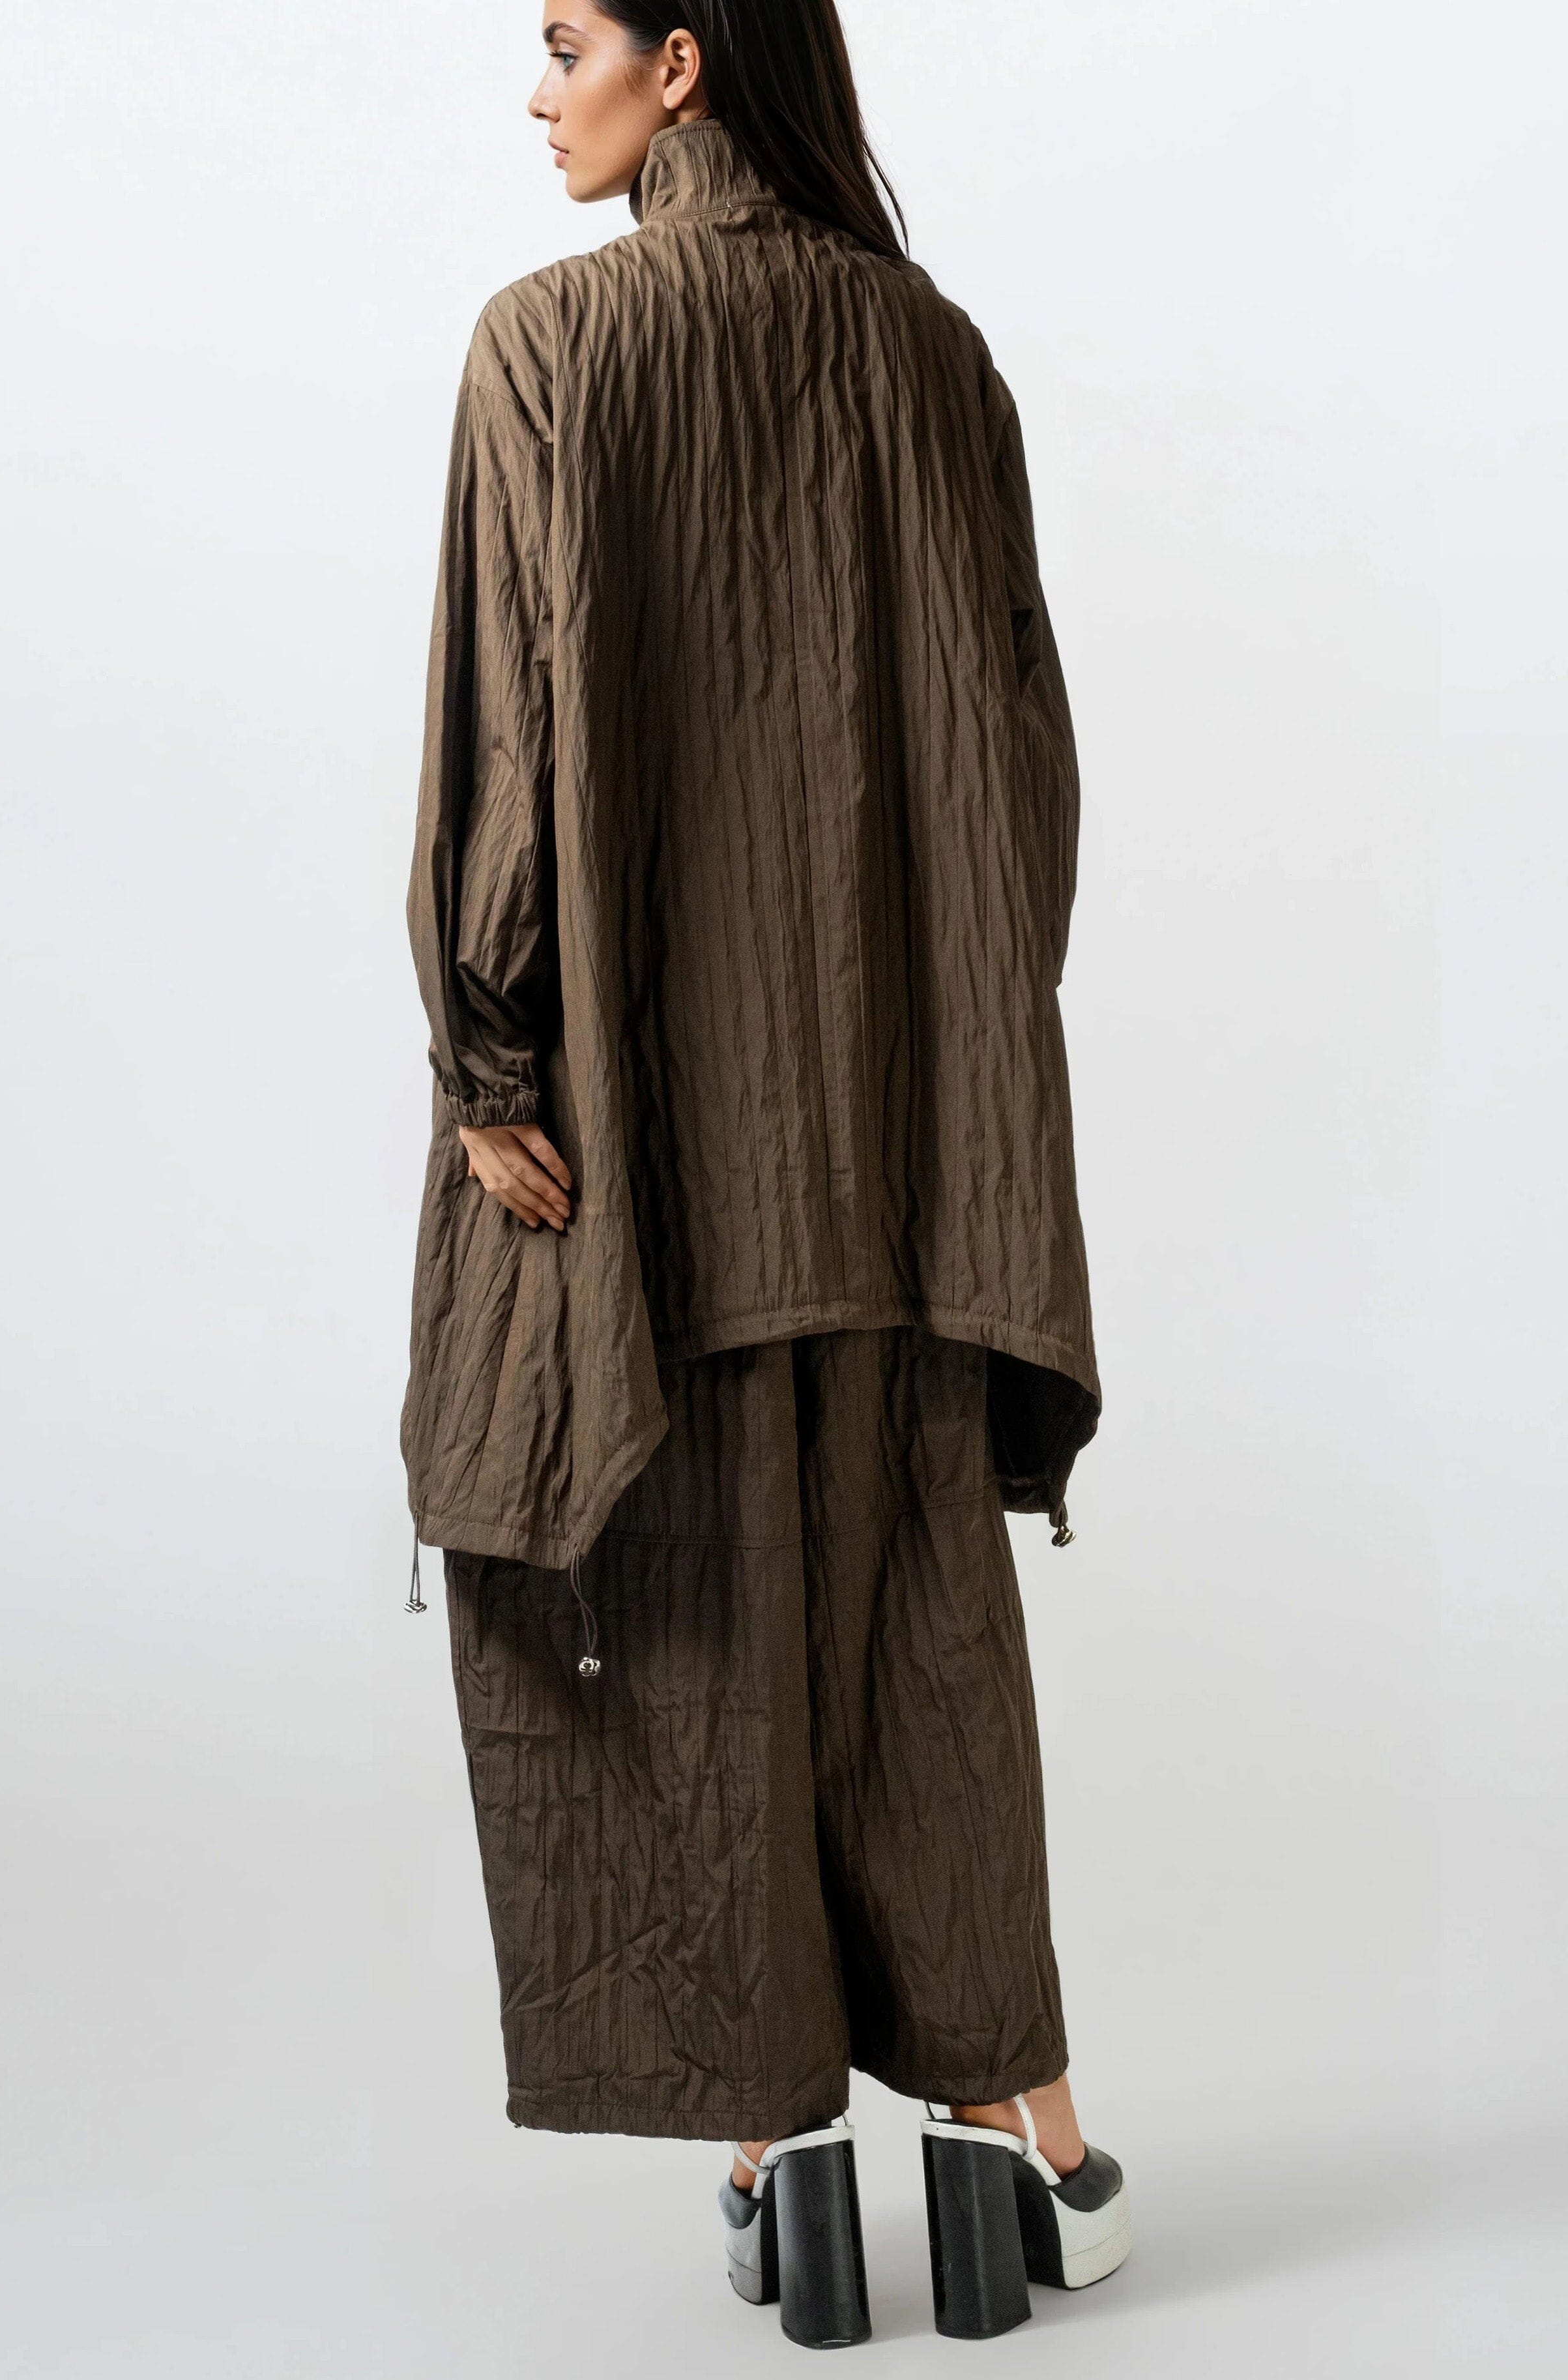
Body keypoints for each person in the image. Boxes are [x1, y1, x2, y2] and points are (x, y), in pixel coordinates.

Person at [401, 0, 1129, 2348]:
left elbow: (505, 743)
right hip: (906, 1140)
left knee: (694, 1617)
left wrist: (488, 1050)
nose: (539, 92)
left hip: (651, 1134)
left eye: (566, 41)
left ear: (687, 66)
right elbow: (1026, 774)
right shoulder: (941, 358)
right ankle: (1018, 2150)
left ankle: (784, 2153)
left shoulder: (551, 349)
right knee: (923, 1627)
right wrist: (944, 1054)